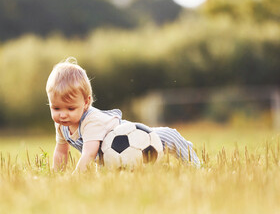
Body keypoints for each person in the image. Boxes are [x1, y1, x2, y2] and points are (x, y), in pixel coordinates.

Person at [46, 57, 200, 172]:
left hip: (132, 137)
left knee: (169, 136)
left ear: (86, 103)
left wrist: (75, 178)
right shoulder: (61, 125)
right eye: (56, 108)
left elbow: (89, 154)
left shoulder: (91, 121)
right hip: (110, 156)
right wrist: (56, 174)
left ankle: (197, 167)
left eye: (71, 109)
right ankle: (160, 169)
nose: (62, 115)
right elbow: (61, 151)